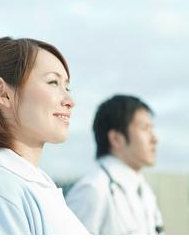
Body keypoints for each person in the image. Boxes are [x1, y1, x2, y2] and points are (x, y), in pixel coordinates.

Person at [0, 36, 88, 234]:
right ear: (3, 93)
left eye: (67, 87)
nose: (70, 100)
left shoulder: (31, 183)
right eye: (53, 82)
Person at [65, 95, 164, 234]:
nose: (154, 138)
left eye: (151, 129)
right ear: (116, 138)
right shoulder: (92, 190)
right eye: (144, 128)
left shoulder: (144, 190)